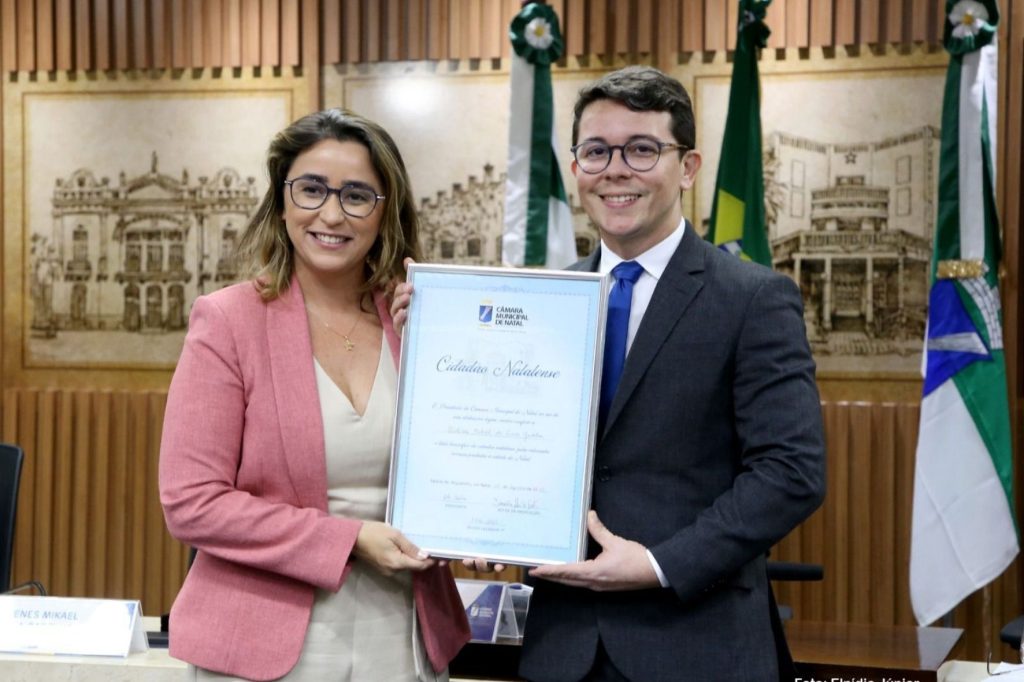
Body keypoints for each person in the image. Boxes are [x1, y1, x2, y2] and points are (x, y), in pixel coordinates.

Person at [393, 65, 826, 682]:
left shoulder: (752, 298)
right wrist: (484, 523)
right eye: (596, 151)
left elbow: (791, 473)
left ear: (688, 167)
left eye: (642, 149)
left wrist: (658, 565)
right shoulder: (544, 301)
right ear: (576, 167)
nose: (615, 170)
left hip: (697, 644)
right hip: (562, 646)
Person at [159, 108, 470, 682]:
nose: (331, 213)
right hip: (262, 646)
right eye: (311, 189)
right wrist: (348, 540)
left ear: (385, 212)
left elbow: (465, 465)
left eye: (357, 196)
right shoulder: (229, 321)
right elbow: (192, 502)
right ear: (282, 201)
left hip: (403, 639)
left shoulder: (423, 319)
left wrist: (481, 525)